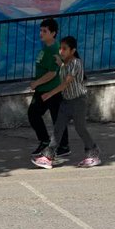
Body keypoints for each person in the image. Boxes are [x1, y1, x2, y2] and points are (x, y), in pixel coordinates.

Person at [32, 36, 101, 169]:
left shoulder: (76, 63)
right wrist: (60, 64)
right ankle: (48, 157)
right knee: (58, 128)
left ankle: (93, 152)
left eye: (64, 49)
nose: (61, 51)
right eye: (60, 48)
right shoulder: (64, 64)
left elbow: (65, 83)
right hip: (66, 102)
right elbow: (63, 74)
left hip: (78, 102)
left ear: (73, 50)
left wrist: (50, 94)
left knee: (80, 128)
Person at [27, 17, 69, 159]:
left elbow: (52, 73)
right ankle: (45, 141)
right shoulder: (47, 47)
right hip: (43, 90)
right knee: (33, 114)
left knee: (56, 118)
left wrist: (36, 83)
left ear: (53, 33)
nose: (41, 33)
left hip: (51, 90)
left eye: (44, 31)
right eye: (41, 30)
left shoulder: (54, 50)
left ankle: (63, 147)